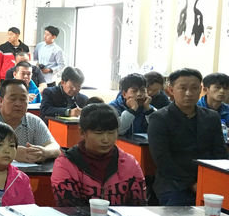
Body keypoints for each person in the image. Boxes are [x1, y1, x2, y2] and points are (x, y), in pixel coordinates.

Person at [148, 68, 228, 205]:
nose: (189, 93)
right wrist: (192, 184)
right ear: (171, 90)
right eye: (183, 88)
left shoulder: (211, 117)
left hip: (208, 180)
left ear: (201, 89)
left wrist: (208, 181)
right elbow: (163, 160)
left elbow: (220, 154)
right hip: (174, 183)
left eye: (194, 88)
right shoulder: (159, 118)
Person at [51, 103, 147, 207]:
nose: (106, 140)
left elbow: (139, 207)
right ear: (82, 132)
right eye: (99, 133)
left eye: (111, 133)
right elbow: (69, 208)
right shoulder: (65, 164)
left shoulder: (130, 164)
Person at [0, 79, 61, 164]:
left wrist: (44, 152)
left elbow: (55, 148)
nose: (18, 104)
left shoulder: (34, 121)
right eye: (13, 99)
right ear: (1, 101)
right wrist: (12, 152)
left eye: (23, 99)